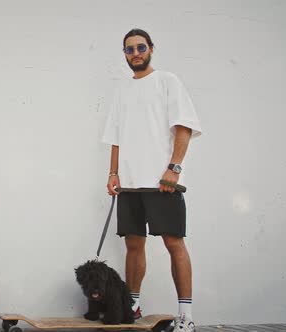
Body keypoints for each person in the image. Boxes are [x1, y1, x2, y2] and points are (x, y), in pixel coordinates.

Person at [102, 29, 202, 332]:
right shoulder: (122, 90)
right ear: (124, 54)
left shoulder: (167, 81)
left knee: (174, 243)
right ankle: (132, 305)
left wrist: (174, 169)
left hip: (161, 181)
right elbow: (115, 138)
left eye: (140, 47)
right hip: (130, 183)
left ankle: (186, 315)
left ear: (151, 49)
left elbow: (184, 127)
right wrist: (113, 173)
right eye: (129, 49)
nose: (135, 53)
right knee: (134, 245)